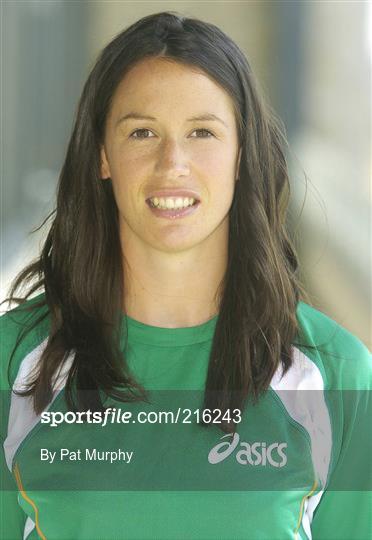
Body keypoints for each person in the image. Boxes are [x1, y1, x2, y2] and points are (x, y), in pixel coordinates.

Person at [1, 11, 371, 540]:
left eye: (202, 132)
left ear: (242, 153)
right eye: (142, 132)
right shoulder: (15, 362)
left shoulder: (335, 376)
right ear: (103, 155)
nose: (172, 162)